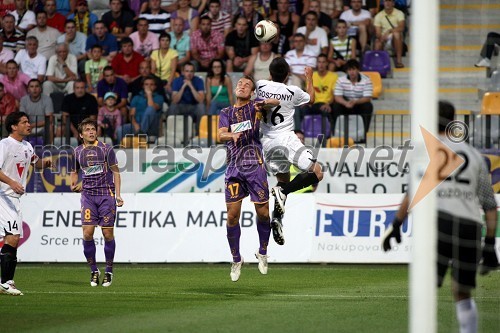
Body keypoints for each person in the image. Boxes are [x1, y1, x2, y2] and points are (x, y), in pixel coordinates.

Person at [382, 101, 499, 333]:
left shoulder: (426, 151)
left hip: (439, 223)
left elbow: (412, 195)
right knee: (462, 291)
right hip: (470, 226)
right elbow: (489, 205)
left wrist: (396, 224)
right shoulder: (474, 155)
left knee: (425, 287)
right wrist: (489, 244)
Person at [255, 57, 323, 245]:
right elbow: (312, 99)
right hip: (286, 138)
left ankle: (277, 219)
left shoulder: (260, 85)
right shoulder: (293, 91)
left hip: (267, 143)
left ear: (269, 73)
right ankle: (283, 193)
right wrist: (309, 77)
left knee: (282, 180)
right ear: (287, 76)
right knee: (317, 173)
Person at [218, 75, 278, 282]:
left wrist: (264, 98)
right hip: (234, 169)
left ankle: (262, 251)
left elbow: (275, 102)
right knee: (232, 215)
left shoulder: (255, 107)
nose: (241, 86)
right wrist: (232, 134)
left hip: (255, 167)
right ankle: (236, 259)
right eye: (239, 84)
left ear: (252, 92)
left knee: (263, 213)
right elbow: (220, 135)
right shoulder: (225, 112)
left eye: (247, 85)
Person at [0, 111, 52, 296]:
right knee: (12, 237)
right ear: (14, 126)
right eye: (24, 122)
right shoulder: (4, 145)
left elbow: (34, 162)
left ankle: (7, 281)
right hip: (3, 196)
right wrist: (12, 182)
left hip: (14, 199)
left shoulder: (27, 146)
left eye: (28, 121)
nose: (29, 124)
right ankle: (5, 282)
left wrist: (44, 164)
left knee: (12, 239)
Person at [70, 118, 124, 287]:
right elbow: (74, 171)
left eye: (93, 129)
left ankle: (108, 271)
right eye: (87, 130)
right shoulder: (77, 152)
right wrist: (73, 184)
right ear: (81, 135)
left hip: (106, 195)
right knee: (87, 233)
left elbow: (116, 173)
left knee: (107, 234)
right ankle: (94, 270)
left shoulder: (106, 149)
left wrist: (118, 195)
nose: (91, 132)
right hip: (88, 196)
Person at [332, 58, 373, 138]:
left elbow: (367, 98)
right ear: (347, 71)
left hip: (359, 103)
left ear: (358, 70)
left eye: (354, 69)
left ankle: (364, 134)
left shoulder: (366, 80)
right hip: (345, 104)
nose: (352, 72)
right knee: (336, 106)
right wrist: (345, 103)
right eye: (349, 70)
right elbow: (337, 97)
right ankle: (336, 133)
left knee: (368, 106)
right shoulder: (341, 80)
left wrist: (355, 102)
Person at [116, 76, 164, 143]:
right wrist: (136, 125)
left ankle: (141, 135)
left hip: (152, 127)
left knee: (150, 109)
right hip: (137, 125)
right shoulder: (136, 97)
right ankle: (120, 149)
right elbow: (131, 115)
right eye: (146, 84)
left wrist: (149, 94)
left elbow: (152, 107)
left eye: (151, 84)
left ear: (155, 87)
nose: (148, 86)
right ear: (143, 86)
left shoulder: (159, 97)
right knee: (120, 130)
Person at [295, 53, 337, 131]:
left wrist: (328, 104)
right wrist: (306, 102)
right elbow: (308, 92)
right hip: (313, 103)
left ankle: (328, 135)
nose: (321, 64)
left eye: (323, 62)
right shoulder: (311, 75)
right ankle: (302, 134)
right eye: (319, 62)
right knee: (302, 109)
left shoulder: (333, 76)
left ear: (327, 63)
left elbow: (334, 94)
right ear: (317, 63)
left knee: (326, 111)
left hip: (325, 104)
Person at [374, 0, 405, 68]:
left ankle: (399, 61)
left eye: (390, 1)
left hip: (395, 38)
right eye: (385, 1)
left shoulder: (399, 13)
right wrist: (381, 38)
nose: (387, 3)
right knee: (377, 43)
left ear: (393, 3)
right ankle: (379, 65)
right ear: (383, 3)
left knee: (396, 34)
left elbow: (401, 27)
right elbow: (378, 32)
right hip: (384, 39)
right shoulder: (378, 16)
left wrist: (389, 31)